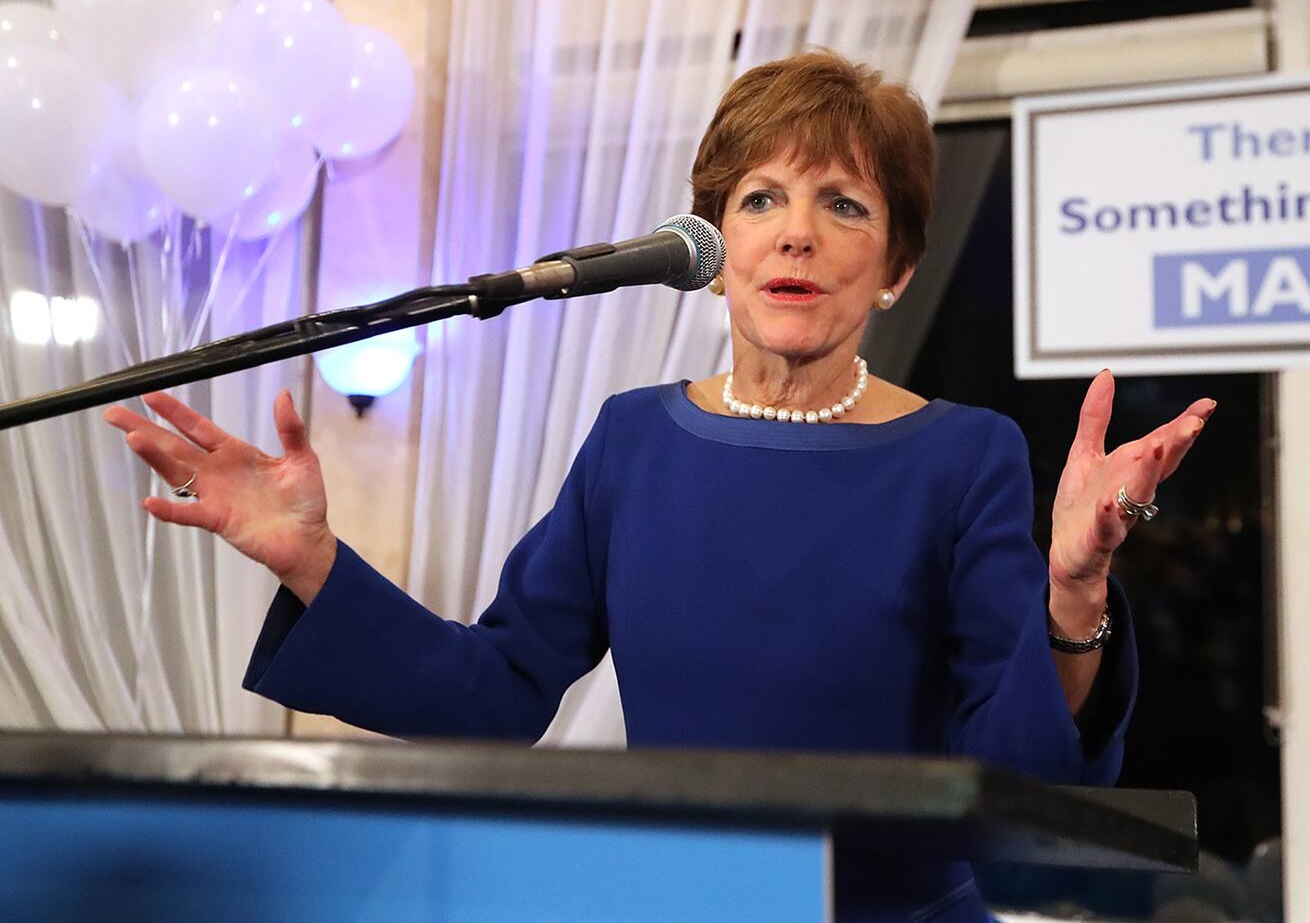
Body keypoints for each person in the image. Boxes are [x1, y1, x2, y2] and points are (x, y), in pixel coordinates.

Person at [105, 50, 1215, 923]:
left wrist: (1072, 593)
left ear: (897, 270)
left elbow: (1018, 776)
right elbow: (495, 691)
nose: (795, 233)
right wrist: (314, 562)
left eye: (845, 206)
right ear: (715, 244)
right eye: (761, 199)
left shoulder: (960, 455)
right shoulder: (633, 442)